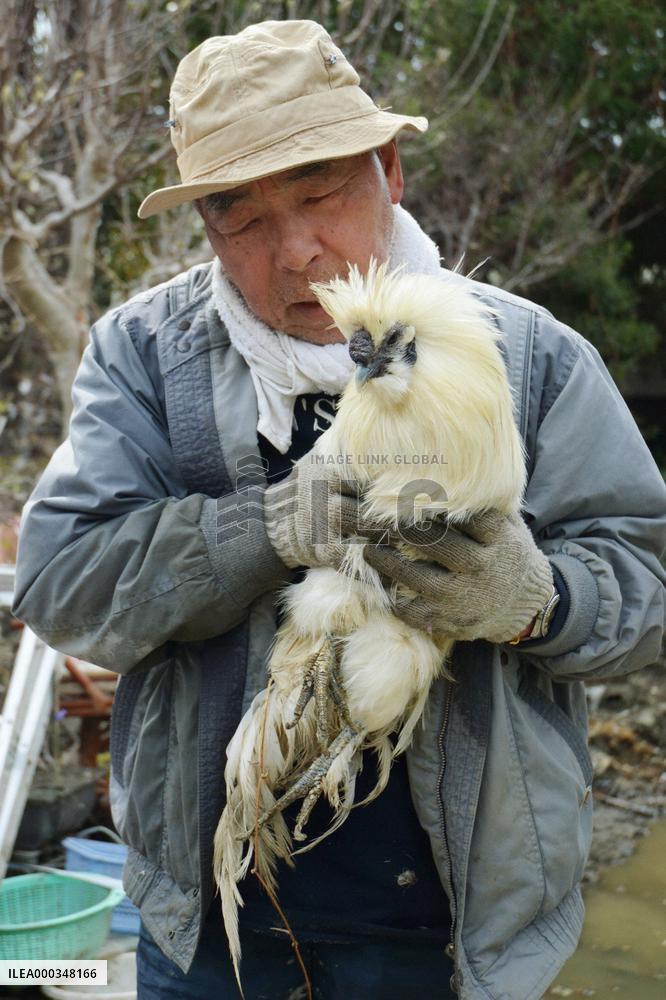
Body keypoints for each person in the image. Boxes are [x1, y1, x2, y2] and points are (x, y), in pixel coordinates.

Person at [12, 19, 666, 1000]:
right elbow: (63, 585)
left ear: (389, 170)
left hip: (446, 938)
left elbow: (646, 579)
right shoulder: (141, 357)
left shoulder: (537, 360)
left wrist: (539, 600)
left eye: (320, 195)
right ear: (206, 228)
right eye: (244, 219)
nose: (299, 252)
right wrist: (265, 528)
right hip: (206, 927)